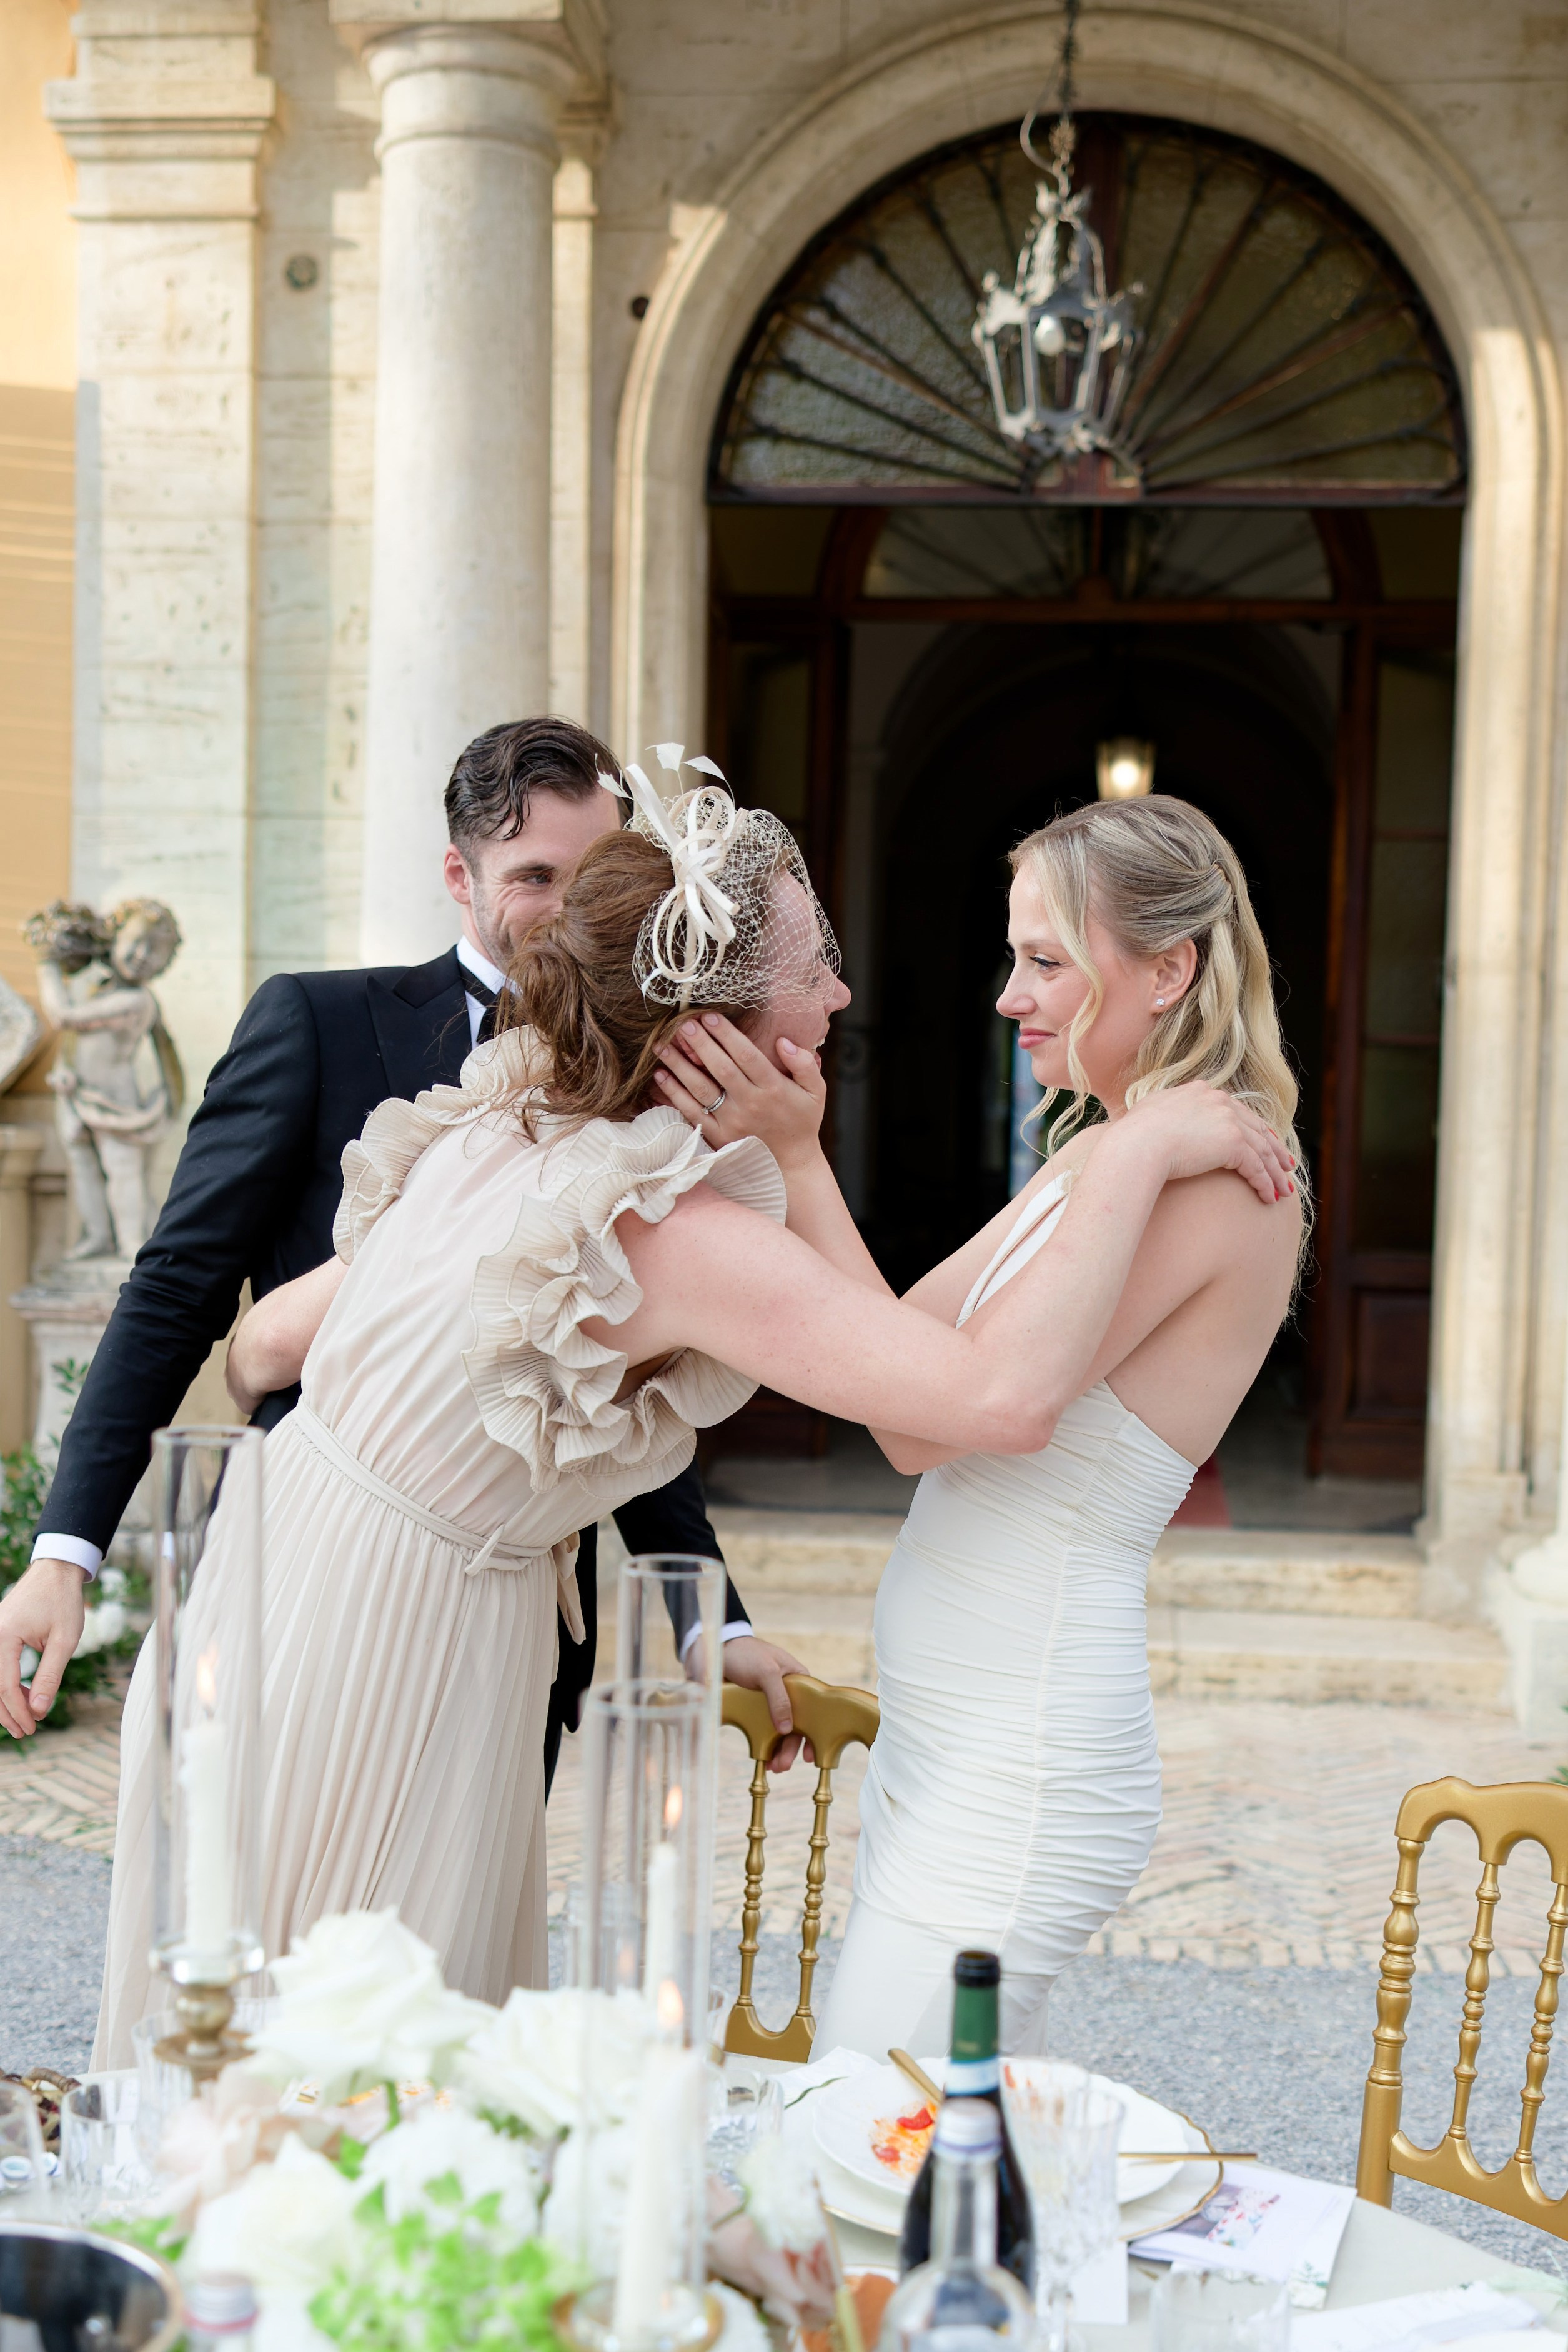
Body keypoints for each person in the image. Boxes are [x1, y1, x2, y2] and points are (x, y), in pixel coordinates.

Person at [85, 759, 1290, 2066]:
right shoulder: (680, 1225)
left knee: (289, 2045)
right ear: (715, 1021)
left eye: (1041, 961)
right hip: (396, 1642)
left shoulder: (505, 1125)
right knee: (351, 2054)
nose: (842, 993)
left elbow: (266, 1342)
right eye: (815, 967)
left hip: (292, 1591)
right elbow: (958, 1392)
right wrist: (1133, 1143)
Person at [0, 719, 803, 1778]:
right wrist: (65, 1555)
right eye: (534, 876)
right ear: (458, 877)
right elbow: (173, 1291)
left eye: (594, 875)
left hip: (518, 1604)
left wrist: (711, 1619)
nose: (569, 909)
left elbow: (621, 1382)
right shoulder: (317, 1023)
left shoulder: (640, 1076)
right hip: (315, 1571)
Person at [652, 792, 1305, 2058]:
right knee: (933, 2135)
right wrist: (798, 1157)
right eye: (1016, 959)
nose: (1010, 997)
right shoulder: (1108, 1156)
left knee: (871, 2120)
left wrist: (1135, 1153)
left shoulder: (1210, 1175)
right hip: (958, 1742)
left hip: (1024, 1756)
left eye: (1046, 962)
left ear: (1168, 970)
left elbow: (953, 1421)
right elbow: (902, 1364)